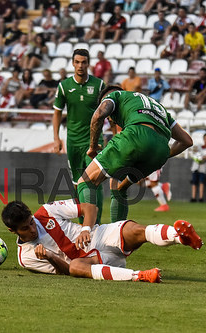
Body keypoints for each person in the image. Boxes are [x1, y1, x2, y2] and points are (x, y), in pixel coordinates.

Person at [76, 86, 193, 237]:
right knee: (119, 188)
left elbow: (98, 115)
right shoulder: (158, 108)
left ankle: (87, 232)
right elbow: (187, 141)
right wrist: (159, 154)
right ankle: (116, 239)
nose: (110, 119)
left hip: (135, 136)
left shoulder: (115, 95)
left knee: (85, 181)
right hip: (160, 150)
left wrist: (92, 147)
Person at [1, 199, 202, 282]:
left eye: (31, 222)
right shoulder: (25, 257)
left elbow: (89, 208)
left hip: (97, 236)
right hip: (89, 264)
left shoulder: (46, 211)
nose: (32, 228)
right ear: (13, 231)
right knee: (75, 267)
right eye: (26, 228)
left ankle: (179, 237)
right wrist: (52, 256)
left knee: (133, 230)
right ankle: (140, 276)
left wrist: (85, 229)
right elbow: (64, 271)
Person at [53, 49, 106, 225]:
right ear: (72, 63)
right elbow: (57, 113)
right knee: (77, 182)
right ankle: (83, 221)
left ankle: (95, 221)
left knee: (94, 179)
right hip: (73, 141)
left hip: (94, 140)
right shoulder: (64, 86)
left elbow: (109, 110)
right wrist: (56, 138)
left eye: (84, 62)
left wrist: (114, 133)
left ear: (88, 63)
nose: (80, 65)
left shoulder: (99, 85)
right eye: (77, 62)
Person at [190, 132, 206, 202]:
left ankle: (201, 198)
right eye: (205, 139)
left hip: (204, 167)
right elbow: (195, 154)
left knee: (201, 182)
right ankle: (193, 197)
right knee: (194, 182)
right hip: (196, 166)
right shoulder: (199, 147)